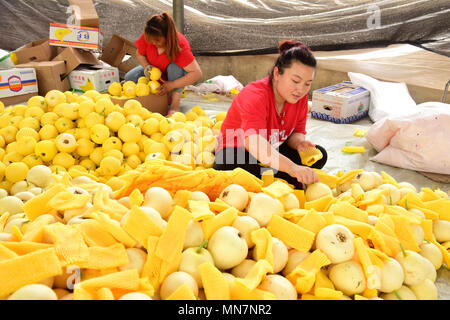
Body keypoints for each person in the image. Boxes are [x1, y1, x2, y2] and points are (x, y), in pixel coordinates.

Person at [213, 40, 327, 189]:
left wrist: (299, 143)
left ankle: (281, 173)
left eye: (307, 84)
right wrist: (292, 168)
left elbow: (297, 132)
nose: (300, 90)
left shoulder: (300, 97)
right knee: (236, 170)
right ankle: (284, 175)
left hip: (271, 148)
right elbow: (255, 144)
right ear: (277, 73)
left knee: (319, 154)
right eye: (295, 81)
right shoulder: (255, 96)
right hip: (238, 152)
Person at [125, 12, 202, 115]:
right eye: (151, 40)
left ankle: (175, 103)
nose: (153, 43)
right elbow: (139, 54)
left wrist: (172, 85)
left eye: (157, 40)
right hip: (155, 73)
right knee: (129, 78)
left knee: (175, 67)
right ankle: (156, 98)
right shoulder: (149, 36)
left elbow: (196, 73)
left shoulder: (179, 45)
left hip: (172, 77)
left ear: (168, 36)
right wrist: (147, 66)